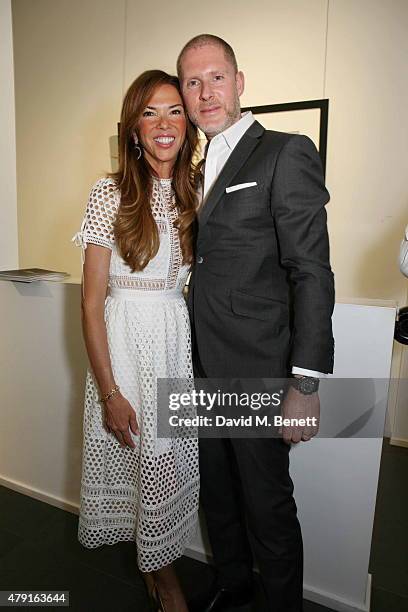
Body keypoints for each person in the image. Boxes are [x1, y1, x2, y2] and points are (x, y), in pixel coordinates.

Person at [177, 35, 335, 612]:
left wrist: (306, 383)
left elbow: (311, 272)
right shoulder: (193, 170)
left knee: (266, 503)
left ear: (240, 82)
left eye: (216, 77)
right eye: (192, 82)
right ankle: (231, 583)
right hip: (199, 366)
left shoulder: (285, 152)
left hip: (258, 370)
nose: (204, 92)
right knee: (217, 492)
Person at [72, 70, 200, 612]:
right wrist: (109, 392)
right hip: (125, 354)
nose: (164, 123)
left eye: (175, 110)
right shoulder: (110, 192)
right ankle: (168, 586)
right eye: (150, 113)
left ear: (187, 124)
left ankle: (157, 567)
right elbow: (90, 302)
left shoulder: (197, 192)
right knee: (140, 466)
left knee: (164, 470)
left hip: (173, 349)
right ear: (133, 129)